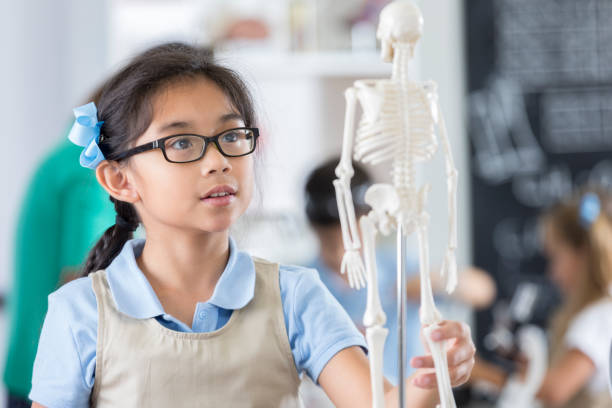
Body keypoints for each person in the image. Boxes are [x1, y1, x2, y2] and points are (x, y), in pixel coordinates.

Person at [29, 42, 475, 408]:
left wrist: (432, 380)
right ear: (119, 179)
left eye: (232, 136)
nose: (218, 160)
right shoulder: (80, 312)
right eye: (182, 142)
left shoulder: (294, 296)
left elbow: (378, 402)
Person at [304, 158, 495, 385]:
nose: (340, 252)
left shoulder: (399, 266)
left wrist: (429, 281)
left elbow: (482, 290)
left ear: (371, 221)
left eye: (350, 237)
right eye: (329, 241)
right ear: (313, 229)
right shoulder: (303, 284)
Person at [3, 91, 115, 407]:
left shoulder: (62, 158)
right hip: (60, 380)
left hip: (29, 366)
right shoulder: (89, 169)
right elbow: (79, 279)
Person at [472, 188, 612, 407]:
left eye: (555, 257)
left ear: (582, 254)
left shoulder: (598, 317)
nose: (551, 273)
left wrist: (480, 372)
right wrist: (527, 367)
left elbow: (555, 390)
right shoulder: (594, 313)